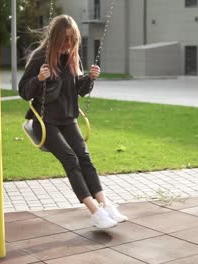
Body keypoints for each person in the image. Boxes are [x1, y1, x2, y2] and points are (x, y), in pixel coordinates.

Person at [19, 14, 126, 229]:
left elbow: (79, 90)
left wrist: (90, 79)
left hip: (68, 119)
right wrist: (38, 79)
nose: (69, 44)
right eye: (65, 39)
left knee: (85, 157)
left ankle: (104, 206)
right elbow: (23, 90)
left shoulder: (71, 56)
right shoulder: (41, 57)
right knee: (71, 159)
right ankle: (95, 212)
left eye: (72, 39)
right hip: (45, 122)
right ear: (56, 36)